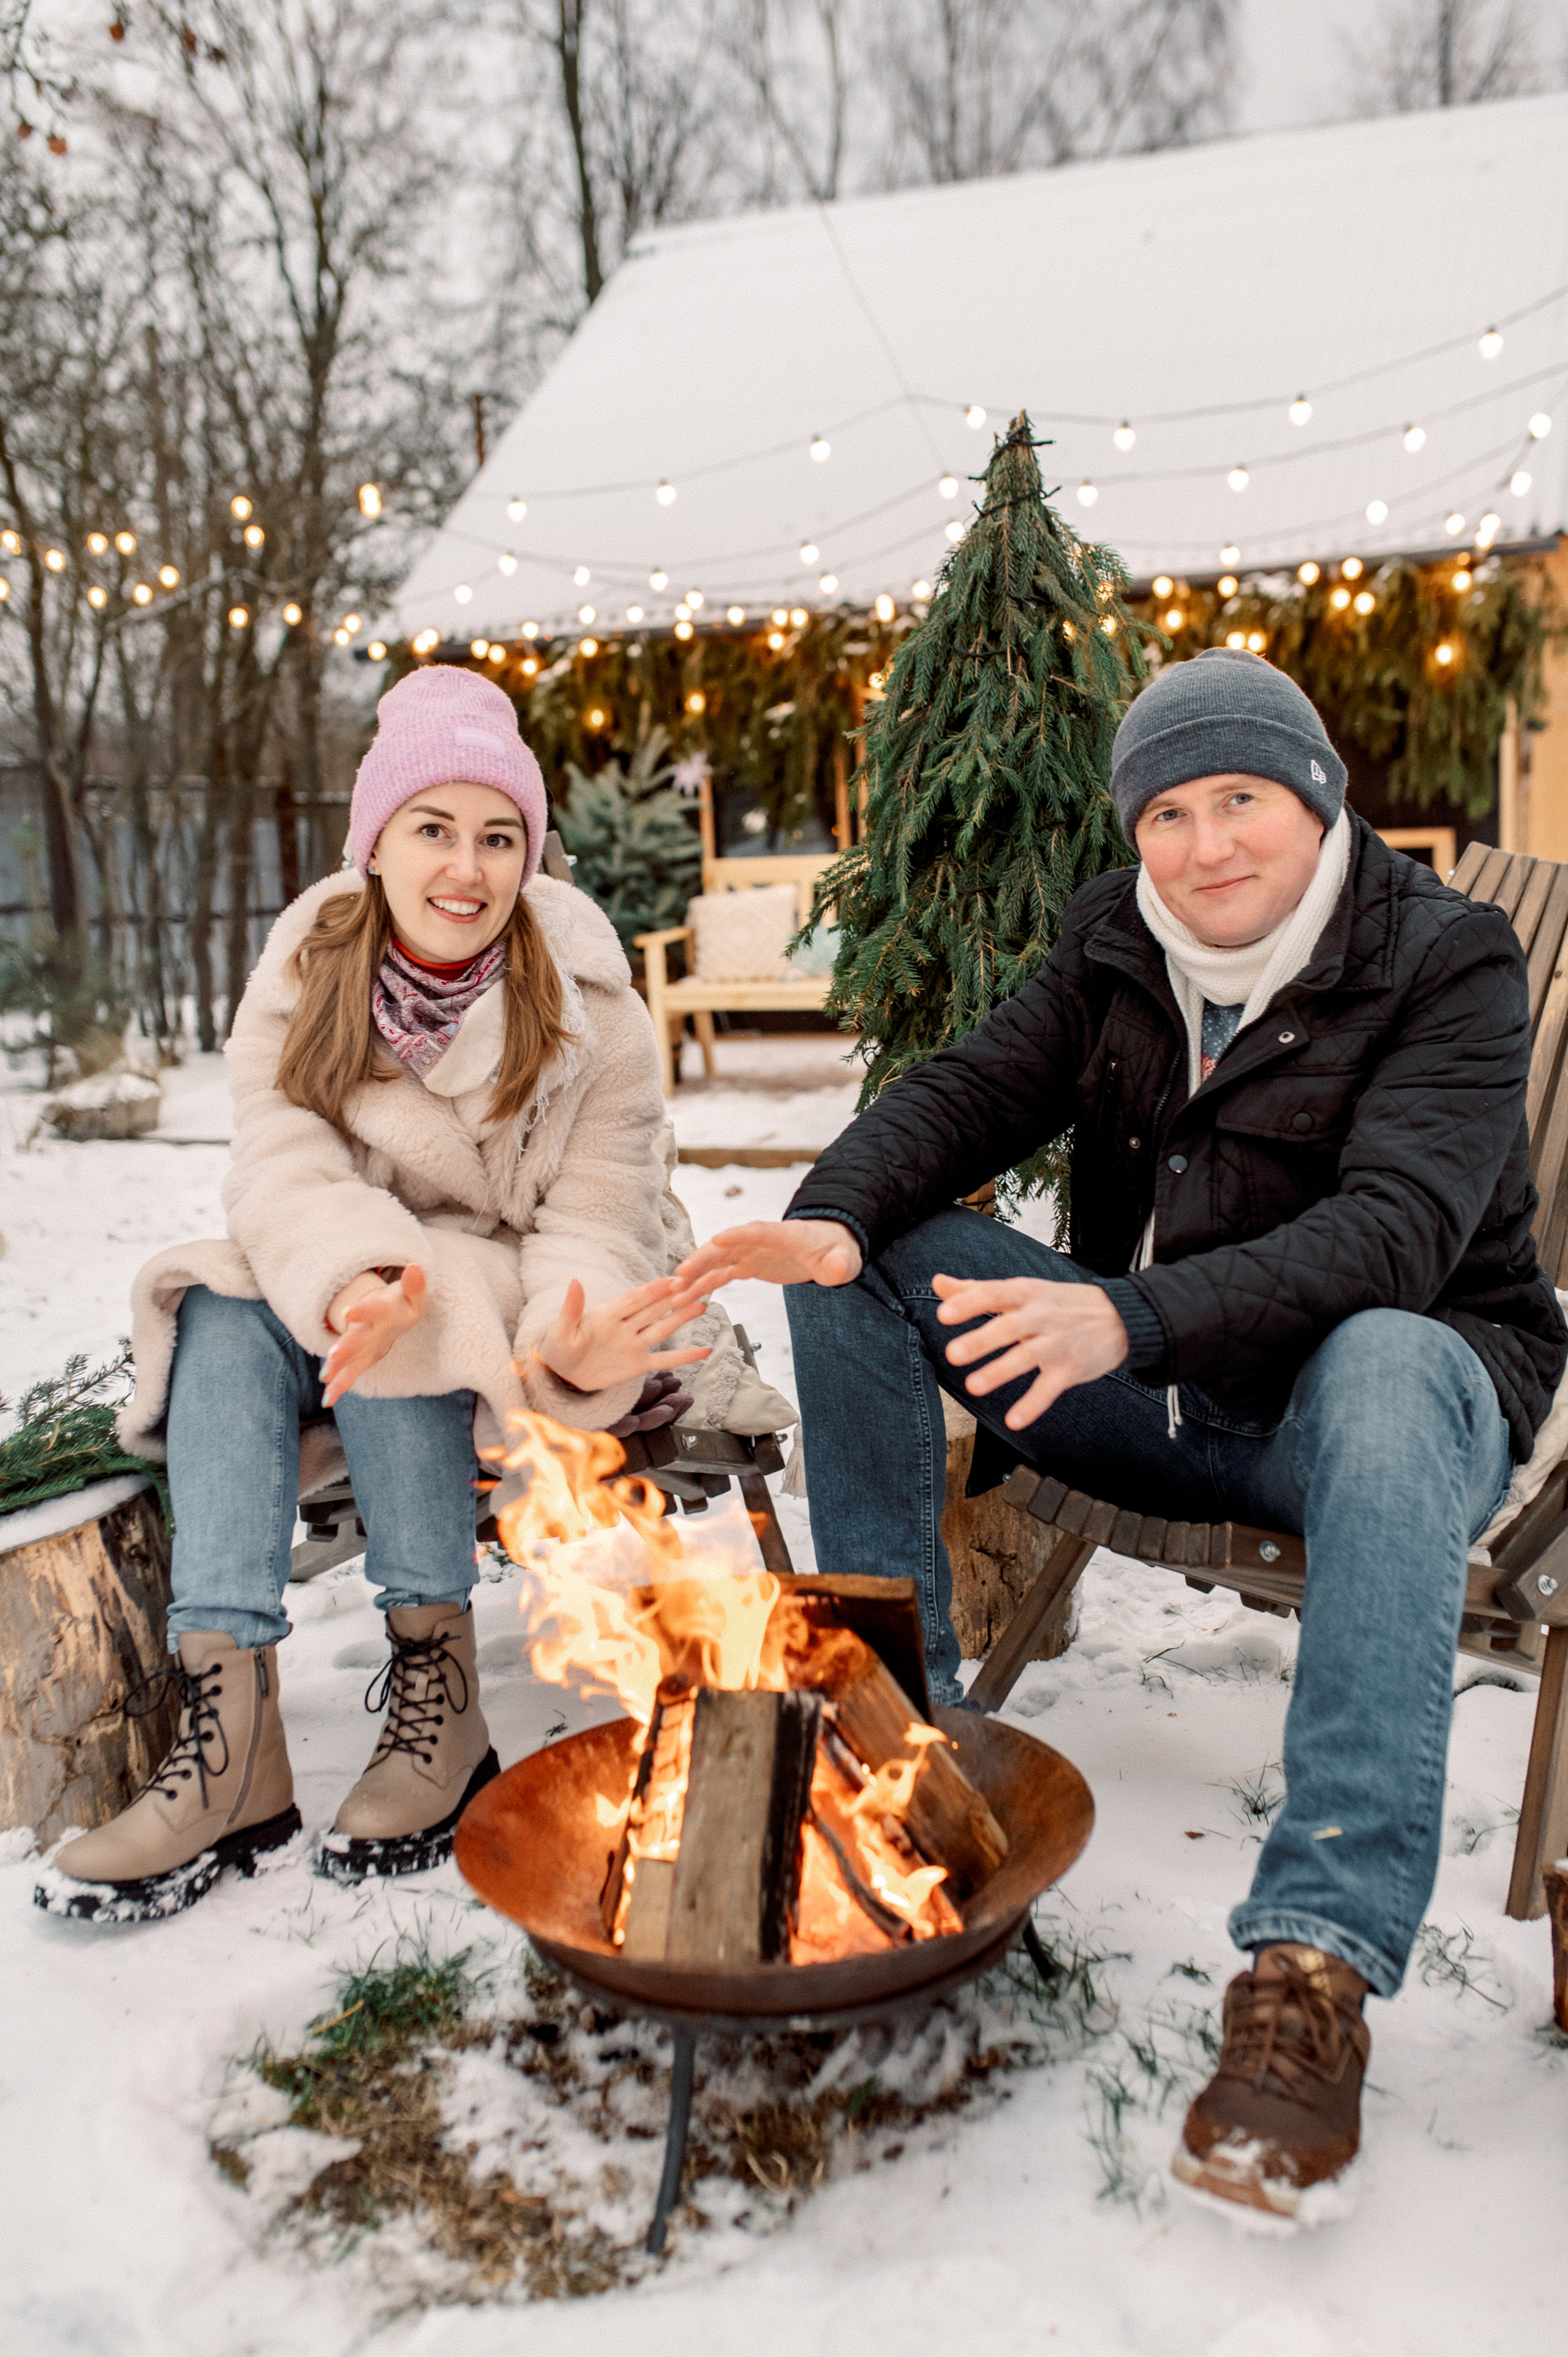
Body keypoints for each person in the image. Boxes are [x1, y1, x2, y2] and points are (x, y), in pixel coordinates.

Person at [675, 648, 1568, 2219]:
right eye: (1168, 811)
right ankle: (901, 1741)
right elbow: (961, 1094)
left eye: (1243, 801)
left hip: (1377, 1418)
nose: (1207, 845)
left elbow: (1396, 1235)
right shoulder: (1116, 943)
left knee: (1381, 1355)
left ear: (1315, 801)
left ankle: (1309, 1977)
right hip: (1159, 1400)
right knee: (864, 1248)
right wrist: (825, 1213)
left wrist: (1128, 1316)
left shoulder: (1447, 959)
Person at [40, 665, 709, 1921]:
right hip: (322, 1268)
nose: (467, 868)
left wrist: (573, 1339)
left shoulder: (590, 1010)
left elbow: (594, 1211)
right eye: (434, 829)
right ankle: (229, 1735)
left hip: (505, 1280)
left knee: (434, 1294)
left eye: (497, 835)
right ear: (378, 845)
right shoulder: (306, 971)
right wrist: (354, 1278)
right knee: (223, 1312)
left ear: (530, 851)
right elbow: (277, 1161)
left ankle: (435, 1698)